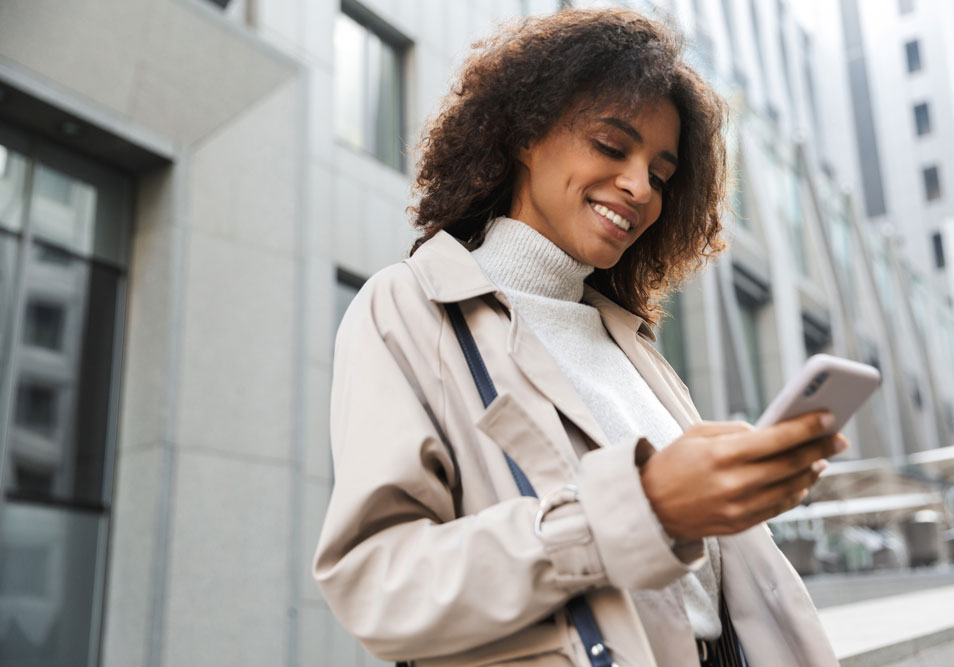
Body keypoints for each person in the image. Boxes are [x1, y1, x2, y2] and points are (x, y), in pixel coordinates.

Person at [314, 8, 843, 666]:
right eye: (612, 145)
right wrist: (645, 507)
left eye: (661, 172)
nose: (639, 187)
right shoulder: (409, 308)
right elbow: (379, 583)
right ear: (524, 135)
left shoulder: (632, 346)